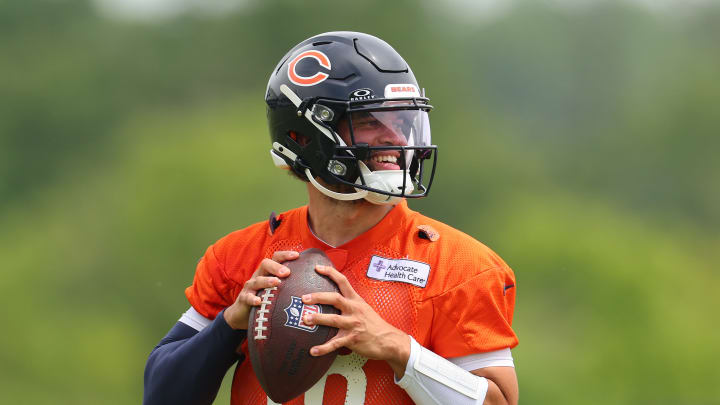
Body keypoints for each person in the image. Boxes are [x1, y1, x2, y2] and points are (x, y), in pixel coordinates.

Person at [143, 31, 519, 405]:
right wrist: (229, 325)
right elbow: (161, 395)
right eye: (371, 121)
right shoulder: (241, 257)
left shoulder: (460, 266)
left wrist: (399, 348)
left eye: (403, 123)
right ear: (303, 136)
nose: (396, 138)